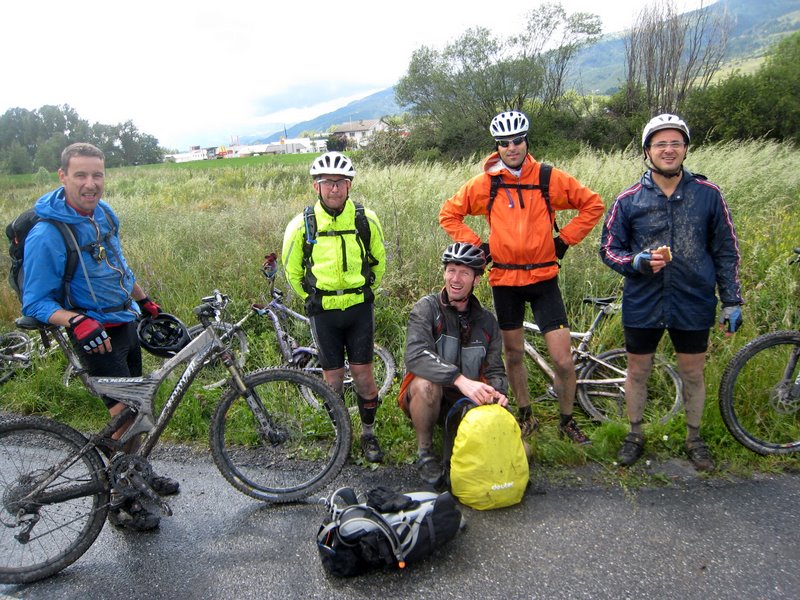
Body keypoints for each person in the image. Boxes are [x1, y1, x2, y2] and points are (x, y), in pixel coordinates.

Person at [22, 142, 181, 530]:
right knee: (125, 417)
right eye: (81, 175)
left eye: (97, 175)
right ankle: (123, 500)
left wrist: (146, 302)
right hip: (95, 335)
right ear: (62, 177)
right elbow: (35, 302)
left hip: (123, 322)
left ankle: (137, 469)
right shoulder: (47, 233)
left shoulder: (103, 214)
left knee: (139, 407)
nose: (90, 184)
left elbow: (118, 269)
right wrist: (76, 321)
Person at [439, 110, 604, 444]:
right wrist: (477, 246)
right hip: (505, 283)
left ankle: (567, 420)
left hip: (544, 281)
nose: (511, 147)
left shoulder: (547, 177)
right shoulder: (488, 183)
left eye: (517, 140)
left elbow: (593, 205)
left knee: (562, 359)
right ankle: (526, 415)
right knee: (513, 355)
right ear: (497, 146)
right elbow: (448, 213)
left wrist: (563, 240)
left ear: (526, 141)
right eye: (504, 143)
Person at [599, 113, 743, 471]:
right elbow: (607, 248)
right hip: (643, 301)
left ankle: (694, 439)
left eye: (675, 143)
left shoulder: (709, 195)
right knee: (637, 371)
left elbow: (726, 250)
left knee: (693, 373)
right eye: (660, 143)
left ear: (686, 149)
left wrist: (732, 300)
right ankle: (635, 435)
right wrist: (636, 262)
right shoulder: (629, 199)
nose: (668, 150)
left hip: (692, 300)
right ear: (647, 151)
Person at [282, 151, 387, 462]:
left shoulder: (364, 219)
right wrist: (313, 297)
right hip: (324, 312)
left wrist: (365, 290)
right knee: (333, 380)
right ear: (317, 187)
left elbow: (378, 261)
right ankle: (342, 437)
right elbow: (292, 271)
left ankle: (368, 434)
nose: (334, 188)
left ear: (349, 185)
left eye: (340, 182)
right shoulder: (302, 224)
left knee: (364, 376)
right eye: (327, 182)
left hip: (358, 308)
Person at [398, 242, 509, 485]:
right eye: (451, 270)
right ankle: (425, 453)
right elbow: (416, 355)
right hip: (427, 399)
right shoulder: (427, 308)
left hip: (465, 402)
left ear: (476, 280)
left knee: (507, 453)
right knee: (426, 383)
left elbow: (495, 369)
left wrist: (498, 392)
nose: (455, 279)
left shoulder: (487, 322)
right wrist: (459, 379)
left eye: (464, 272)